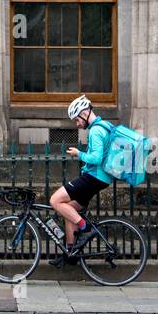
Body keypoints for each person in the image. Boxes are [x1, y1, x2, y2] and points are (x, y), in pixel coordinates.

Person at [50, 94, 111, 255]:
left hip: (94, 176)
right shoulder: (106, 126)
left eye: (77, 120)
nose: (77, 124)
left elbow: (97, 158)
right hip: (100, 178)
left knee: (55, 200)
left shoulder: (96, 131)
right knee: (69, 210)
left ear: (84, 114)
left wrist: (79, 153)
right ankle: (71, 253)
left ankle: (85, 227)